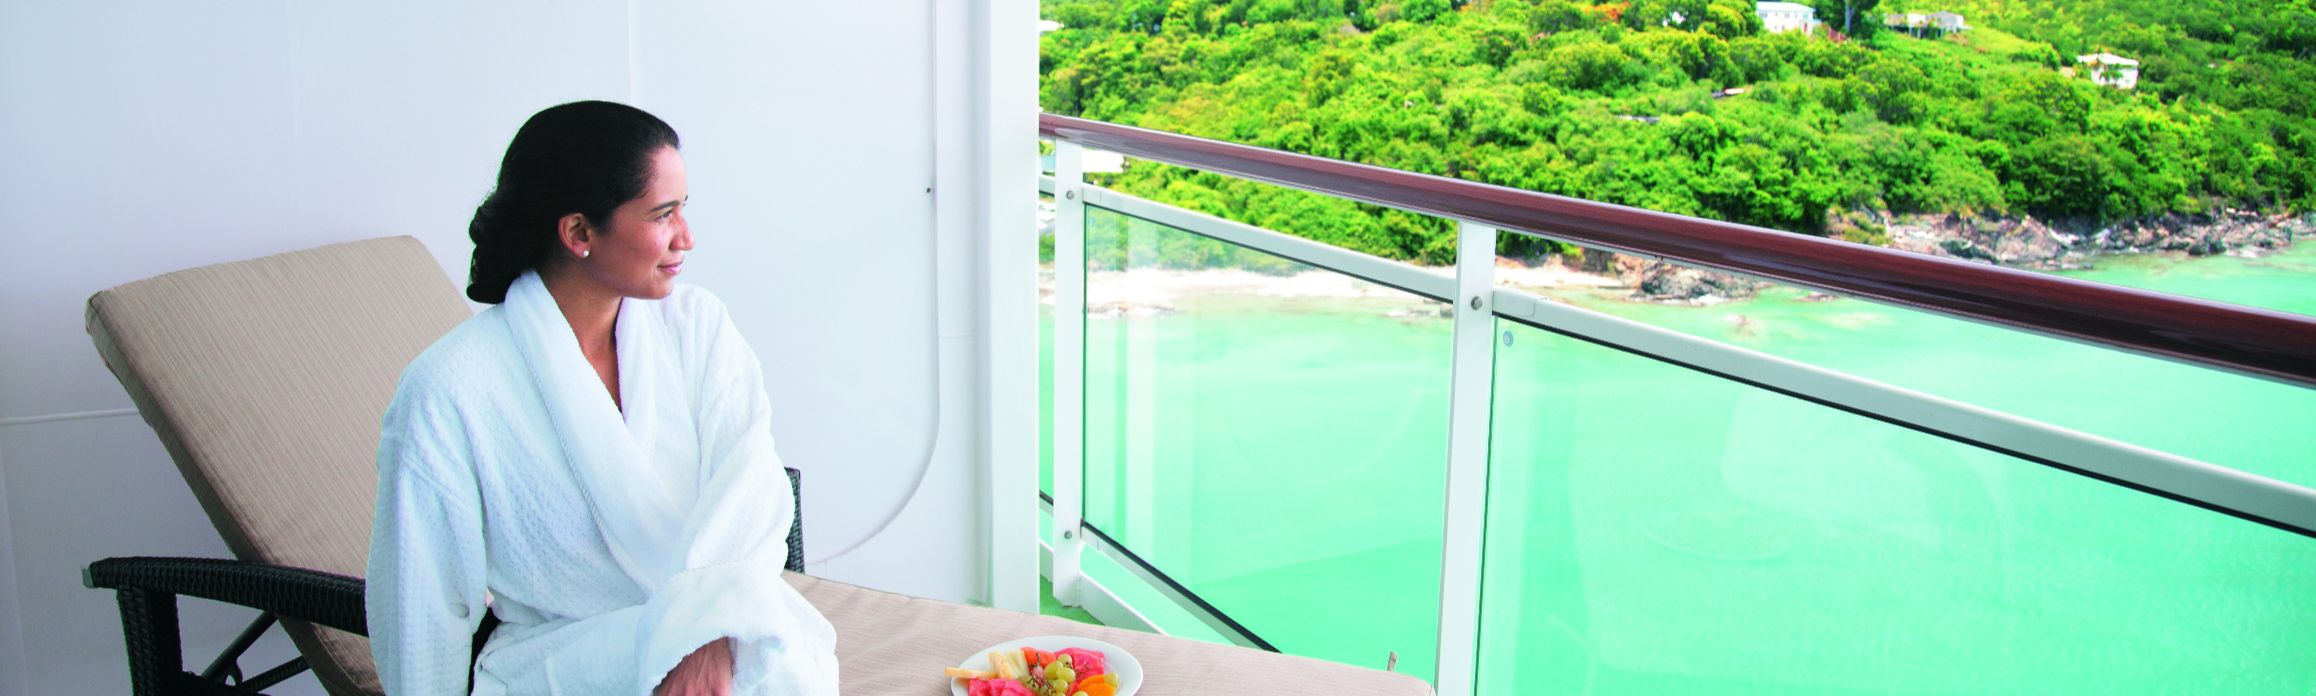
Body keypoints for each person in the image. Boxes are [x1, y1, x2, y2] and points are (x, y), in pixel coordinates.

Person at [367, 101, 839, 695]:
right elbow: (422, 601)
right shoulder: (449, 390)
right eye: (663, 214)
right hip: (567, 665)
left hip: (720, 643)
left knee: (776, 645)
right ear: (579, 232)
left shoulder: (696, 326)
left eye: (683, 209)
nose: (687, 238)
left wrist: (702, 638)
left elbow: (752, 484)